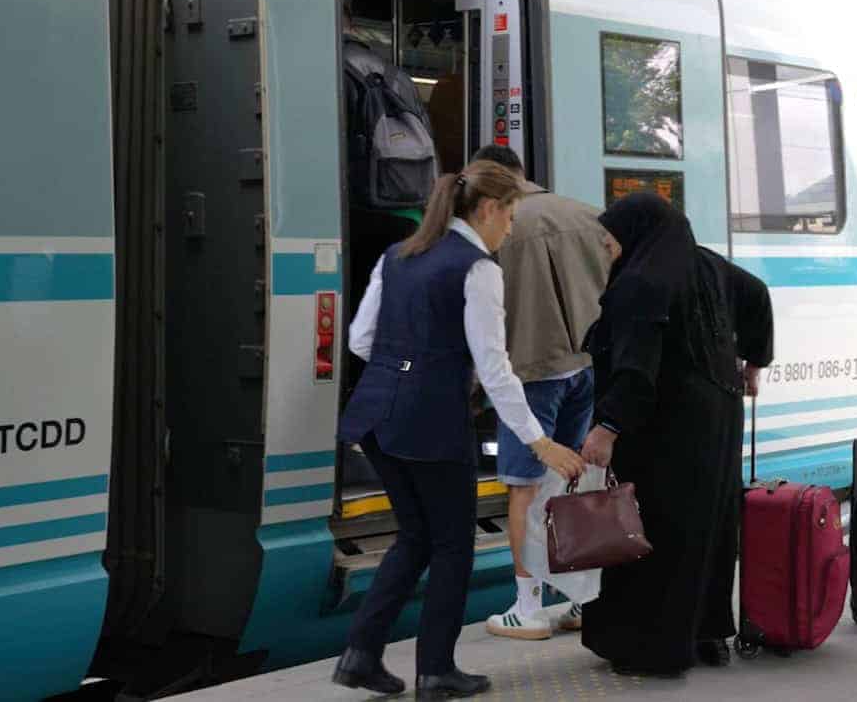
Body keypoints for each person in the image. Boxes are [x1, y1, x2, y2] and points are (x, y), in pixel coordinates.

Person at [331, 161, 585, 700]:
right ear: (488, 209)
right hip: (431, 423)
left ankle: (360, 654)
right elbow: (495, 369)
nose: (510, 229)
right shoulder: (477, 269)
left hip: (375, 415)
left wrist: (405, 371)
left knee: (415, 538)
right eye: (510, 216)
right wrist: (539, 441)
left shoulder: (397, 256)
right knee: (452, 546)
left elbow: (360, 340)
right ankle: (435, 671)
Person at [577, 193, 774, 676]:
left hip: (665, 426)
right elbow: (757, 293)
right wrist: (754, 362)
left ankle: (654, 647)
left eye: (611, 236)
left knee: (654, 531)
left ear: (638, 233)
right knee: (711, 526)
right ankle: (708, 634)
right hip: (719, 415)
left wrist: (607, 427)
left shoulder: (640, 283)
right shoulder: (707, 264)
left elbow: (636, 370)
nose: (606, 245)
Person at [470, 145, 610, 641]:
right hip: (585, 367)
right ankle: (580, 601)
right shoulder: (586, 215)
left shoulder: (495, 225)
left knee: (524, 487)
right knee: (571, 481)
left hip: (531, 373)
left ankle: (527, 607)